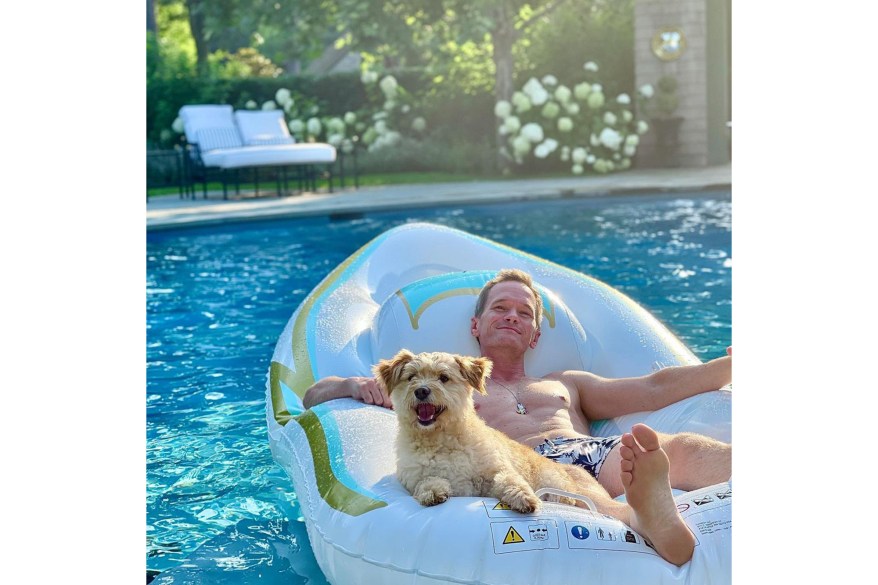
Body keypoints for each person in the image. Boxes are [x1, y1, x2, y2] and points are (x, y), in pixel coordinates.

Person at [303, 268, 731, 565]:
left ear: (535, 334)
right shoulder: (444, 388)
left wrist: (726, 367)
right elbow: (313, 394)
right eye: (500, 308)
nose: (512, 315)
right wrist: (352, 386)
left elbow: (654, 388)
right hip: (524, 464)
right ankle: (648, 521)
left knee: (674, 446)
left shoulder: (564, 382)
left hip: (591, 451)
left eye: (525, 313)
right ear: (476, 325)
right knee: (579, 486)